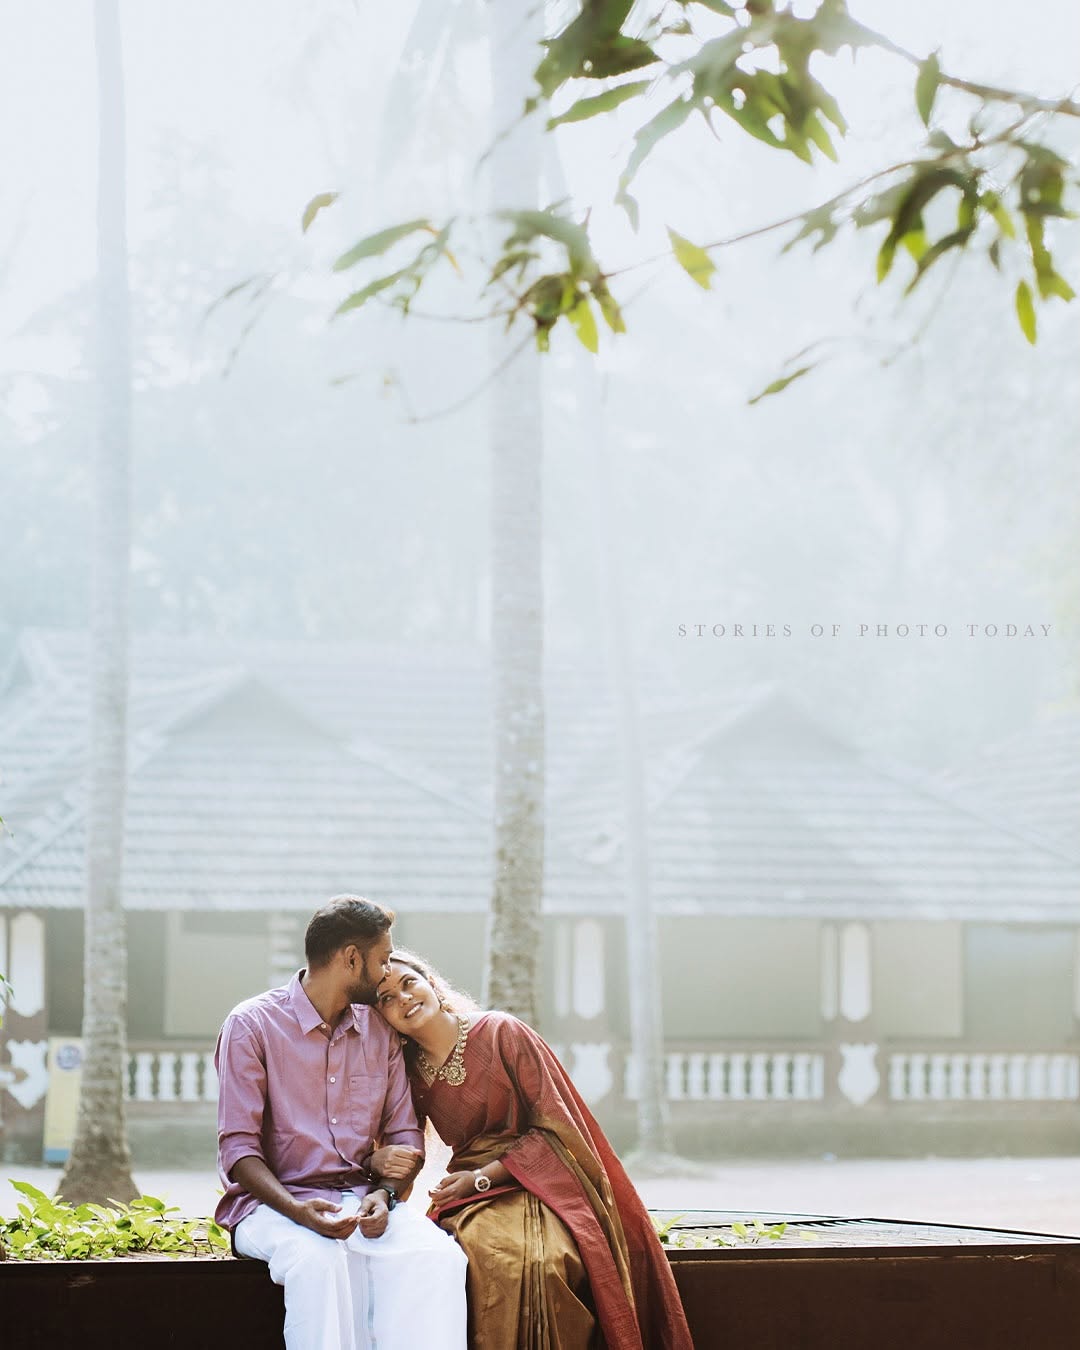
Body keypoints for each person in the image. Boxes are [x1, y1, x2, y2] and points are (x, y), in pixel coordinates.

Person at [374, 950, 695, 1350]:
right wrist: (381, 1183)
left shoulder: (500, 1032)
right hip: (470, 1200)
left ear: (433, 985)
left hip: (543, 1179)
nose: (403, 998)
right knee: (479, 1261)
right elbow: (405, 1144)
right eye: (386, 998)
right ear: (382, 1019)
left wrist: (481, 1178)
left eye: (409, 983)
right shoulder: (406, 1072)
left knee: (546, 1264)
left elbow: (555, 1128)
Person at [214, 896, 468, 1350]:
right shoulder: (251, 1025)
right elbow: (238, 1152)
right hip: (271, 1207)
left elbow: (404, 1133)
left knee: (438, 1258)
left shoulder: (379, 1031)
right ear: (352, 959)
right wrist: (296, 1212)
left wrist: (385, 1194)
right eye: (383, 959)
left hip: (359, 1199)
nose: (387, 970)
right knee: (319, 1263)